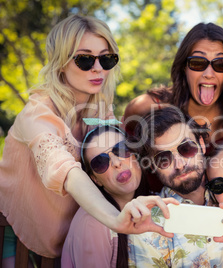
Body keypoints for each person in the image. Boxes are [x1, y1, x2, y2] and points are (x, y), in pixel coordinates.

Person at [0, 14, 148, 263]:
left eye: (106, 58)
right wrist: (113, 219)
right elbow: (66, 170)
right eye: (85, 59)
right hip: (14, 232)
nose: (98, 68)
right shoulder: (36, 114)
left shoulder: (102, 110)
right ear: (60, 63)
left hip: (76, 230)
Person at [127, 107, 223, 267]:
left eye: (186, 148)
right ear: (152, 166)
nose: (179, 165)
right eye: (164, 158)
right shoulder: (145, 228)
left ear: (202, 145)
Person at [123, 22, 223, 149]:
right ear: (184, 67)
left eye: (220, 63)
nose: (209, 74)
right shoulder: (146, 107)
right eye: (198, 62)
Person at [61, 125, 178, 267]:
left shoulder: (152, 200)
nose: (116, 163)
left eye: (121, 149)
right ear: (95, 179)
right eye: (101, 162)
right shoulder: (93, 223)